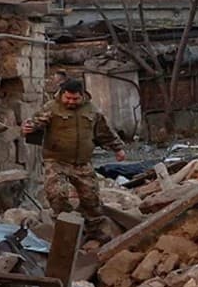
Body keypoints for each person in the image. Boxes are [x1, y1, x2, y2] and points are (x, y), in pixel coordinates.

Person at [23, 78, 126, 238]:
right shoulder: (51, 108)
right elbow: (35, 123)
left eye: (75, 99)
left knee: (91, 199)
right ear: (62, 95)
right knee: (57, 194)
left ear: (82, 95)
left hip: (82, 163)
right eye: (68, 98)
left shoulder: (92, 110)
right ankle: (66, 228)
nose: (71, 102)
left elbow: (104, 132)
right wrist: (29, 127)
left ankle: (94, 232)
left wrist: (118, 149)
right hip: (56, 161)